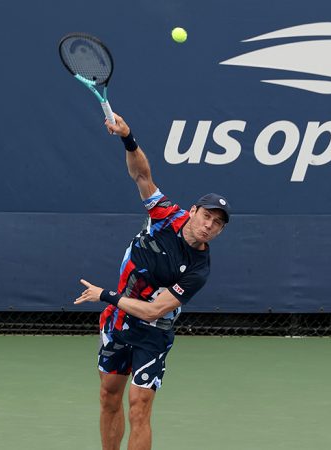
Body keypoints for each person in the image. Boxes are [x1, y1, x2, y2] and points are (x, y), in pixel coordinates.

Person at [74, 112, 231, 450]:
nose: (210, 226)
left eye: (218, 224)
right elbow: (141, 173)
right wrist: (127, 137)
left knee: (140, 408)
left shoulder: (198, 269)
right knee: (108, 397)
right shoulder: (165, 214)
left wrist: (105, 294)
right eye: (207, 216)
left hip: (153, 332)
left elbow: (152, 311)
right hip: (116, 323)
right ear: (192, 211)